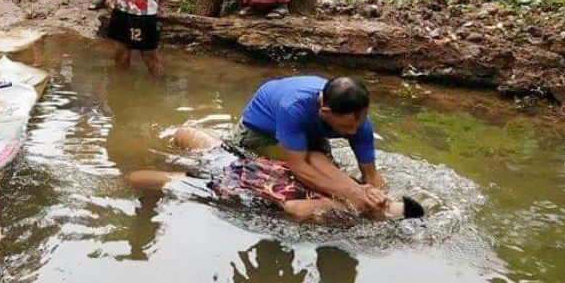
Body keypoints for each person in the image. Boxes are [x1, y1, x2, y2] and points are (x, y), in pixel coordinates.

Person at [129, 127, 425, 224]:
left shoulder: (341, 216)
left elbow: (295, 208)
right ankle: (141, 145)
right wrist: (355, 187)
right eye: (387, 200)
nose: (380, 199)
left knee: (137, 178)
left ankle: (153, 174)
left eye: (383, 206)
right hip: (247, 164)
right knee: (184, 132)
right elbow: (317, 158)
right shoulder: (351, 187)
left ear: (378, 219)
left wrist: (348, 206)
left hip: (229, 187)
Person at [226, 75, 389, 215]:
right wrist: (350, 192)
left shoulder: (359, 123)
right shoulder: (292, 108)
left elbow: (371, 175)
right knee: (276, 182)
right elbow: (299, 168)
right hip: (259, 133)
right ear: (325, 112)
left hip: (306, 130)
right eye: (346, 127)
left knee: (325, 171)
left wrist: (379, 199)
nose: (353, 132)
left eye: (358, 124)